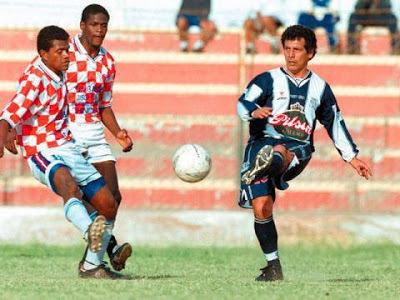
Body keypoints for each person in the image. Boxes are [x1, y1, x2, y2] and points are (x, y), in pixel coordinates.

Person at [237, 25, 372, 281]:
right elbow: (243, 101)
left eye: (296, 50)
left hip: (298, 148)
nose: (290, 55)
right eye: (286, 49)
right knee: (262, 207)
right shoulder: (267, 79)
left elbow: (334, 121)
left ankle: (271, 161)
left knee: (280, 150)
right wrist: (252, 111)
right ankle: (273, 267)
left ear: (310, 53)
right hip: (259, 145)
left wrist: (351, 156)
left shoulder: (320, 88)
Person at [0, 25, 123, 279]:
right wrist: (5, 135)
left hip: (68, 146)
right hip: (42, 150)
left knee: (108, 204)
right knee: (69, 186)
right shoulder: (36, 77)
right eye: (61, 51)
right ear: (44, 54)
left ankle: (91, 267)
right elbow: (10, 113)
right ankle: (90, 230)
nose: (68, 55)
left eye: (68, 49)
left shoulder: (61, 72)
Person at [66, 4, 133, 272]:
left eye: (104, 25)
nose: (99, 30)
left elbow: (103, 104)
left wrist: (117, 133)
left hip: (93, 132)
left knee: (113, 197)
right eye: (94, 24)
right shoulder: (65, 53)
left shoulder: (108, 61)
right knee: (89, 197)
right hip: (67, 133)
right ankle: (108, 249)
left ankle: (94, 260)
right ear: (82, 25)